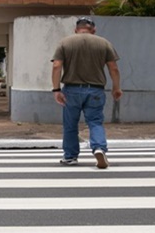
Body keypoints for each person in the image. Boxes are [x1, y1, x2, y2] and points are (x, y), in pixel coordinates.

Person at [51, 16, 122, 168]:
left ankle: (70, 157)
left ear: (76, 30)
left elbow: (57, 66)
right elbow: (113, 68)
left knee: (70, 124)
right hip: (95, 90)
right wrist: (116, 87)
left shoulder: (65, 42)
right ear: (93, 30)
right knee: (95, 122)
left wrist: (56, 89)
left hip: (71, 90)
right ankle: (98, 148)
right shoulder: (104, 43)